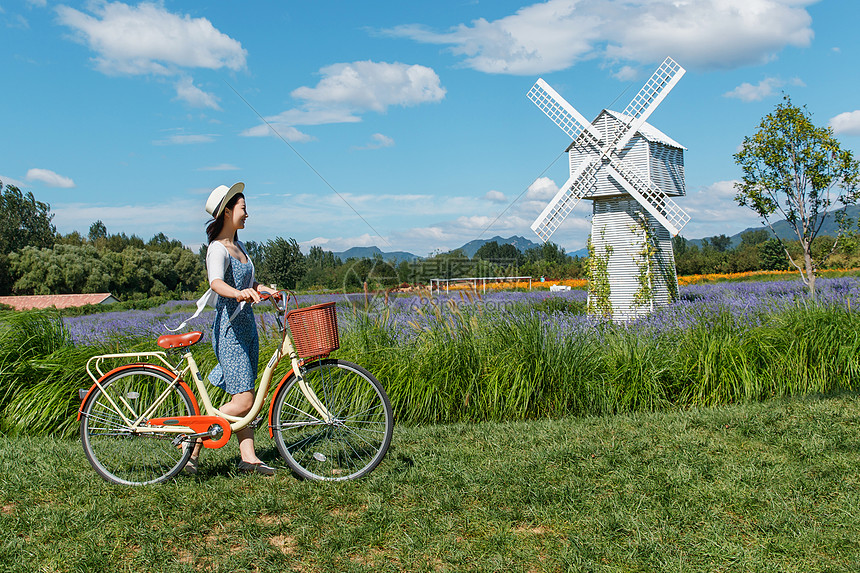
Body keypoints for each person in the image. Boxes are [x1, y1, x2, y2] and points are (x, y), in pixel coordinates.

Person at [185, 182, 278, 476]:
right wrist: (237, 294)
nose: (247, 214)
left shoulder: (239, 248)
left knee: (246, 393)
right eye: (243, 208)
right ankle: (193, 441)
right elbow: (216, 283)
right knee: (245, 400)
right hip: (229, 331)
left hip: (247, 328)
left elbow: (247, 284)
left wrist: (262, 289)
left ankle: (248, 458)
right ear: (227, 212)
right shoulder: (217, 249)